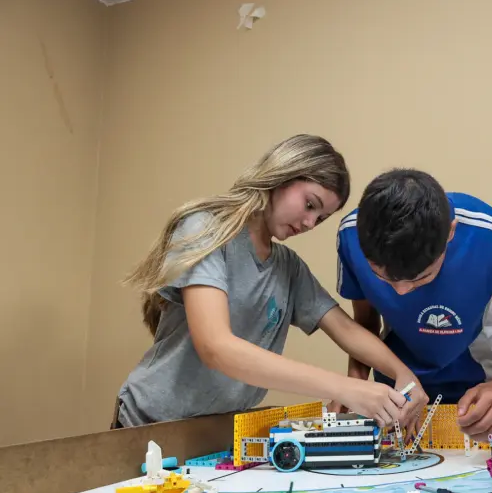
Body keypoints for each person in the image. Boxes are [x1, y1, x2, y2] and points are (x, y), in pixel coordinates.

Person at [112, 135, 426, 430]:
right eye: (310, 205)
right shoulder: (205, 230)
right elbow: (215, 347)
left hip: (215, 431)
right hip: (149, 423)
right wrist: (345, 388)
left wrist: (403, 374)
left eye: (320, 218)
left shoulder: (289, 267)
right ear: (283, 176)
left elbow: (345, 329)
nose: (310, 223)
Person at [330, 168, 492, 441]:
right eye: (383, 278)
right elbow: (365, 324)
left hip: (472, 392)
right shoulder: (351, 235)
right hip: (395, 395)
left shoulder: (489, 235)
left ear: (450, 232)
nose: (401, 292)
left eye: (421, 278)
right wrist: (353, 385)